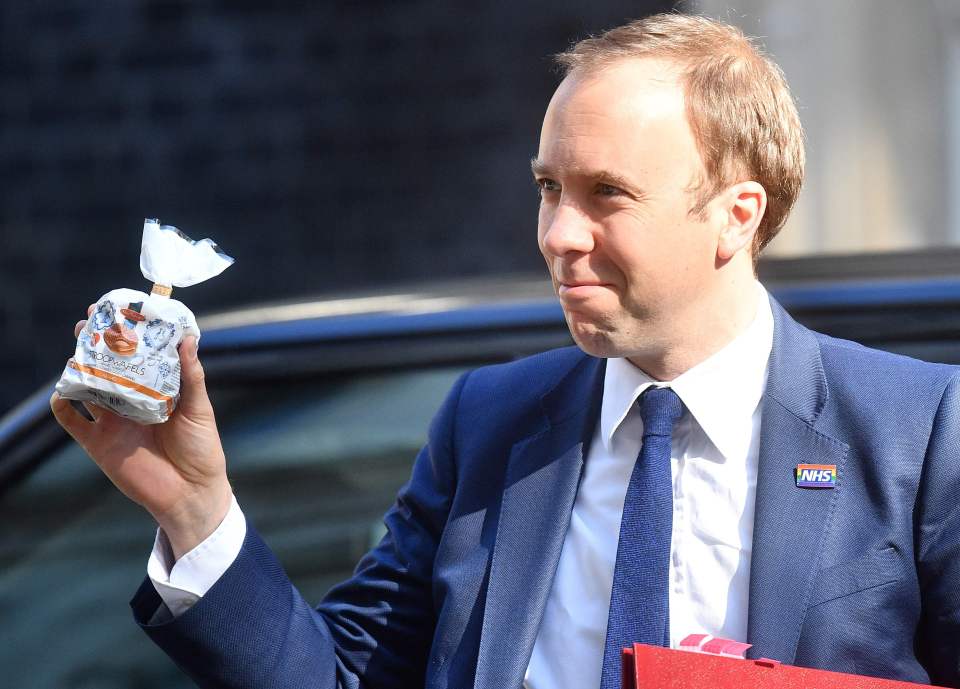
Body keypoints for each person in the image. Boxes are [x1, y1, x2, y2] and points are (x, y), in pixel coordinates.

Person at [50, 13, 960, 689]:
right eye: (547, 187)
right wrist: (198, 512)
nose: (558, 232)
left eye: (607, 192)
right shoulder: (490, 424)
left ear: (737, 215)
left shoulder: (916, 433)